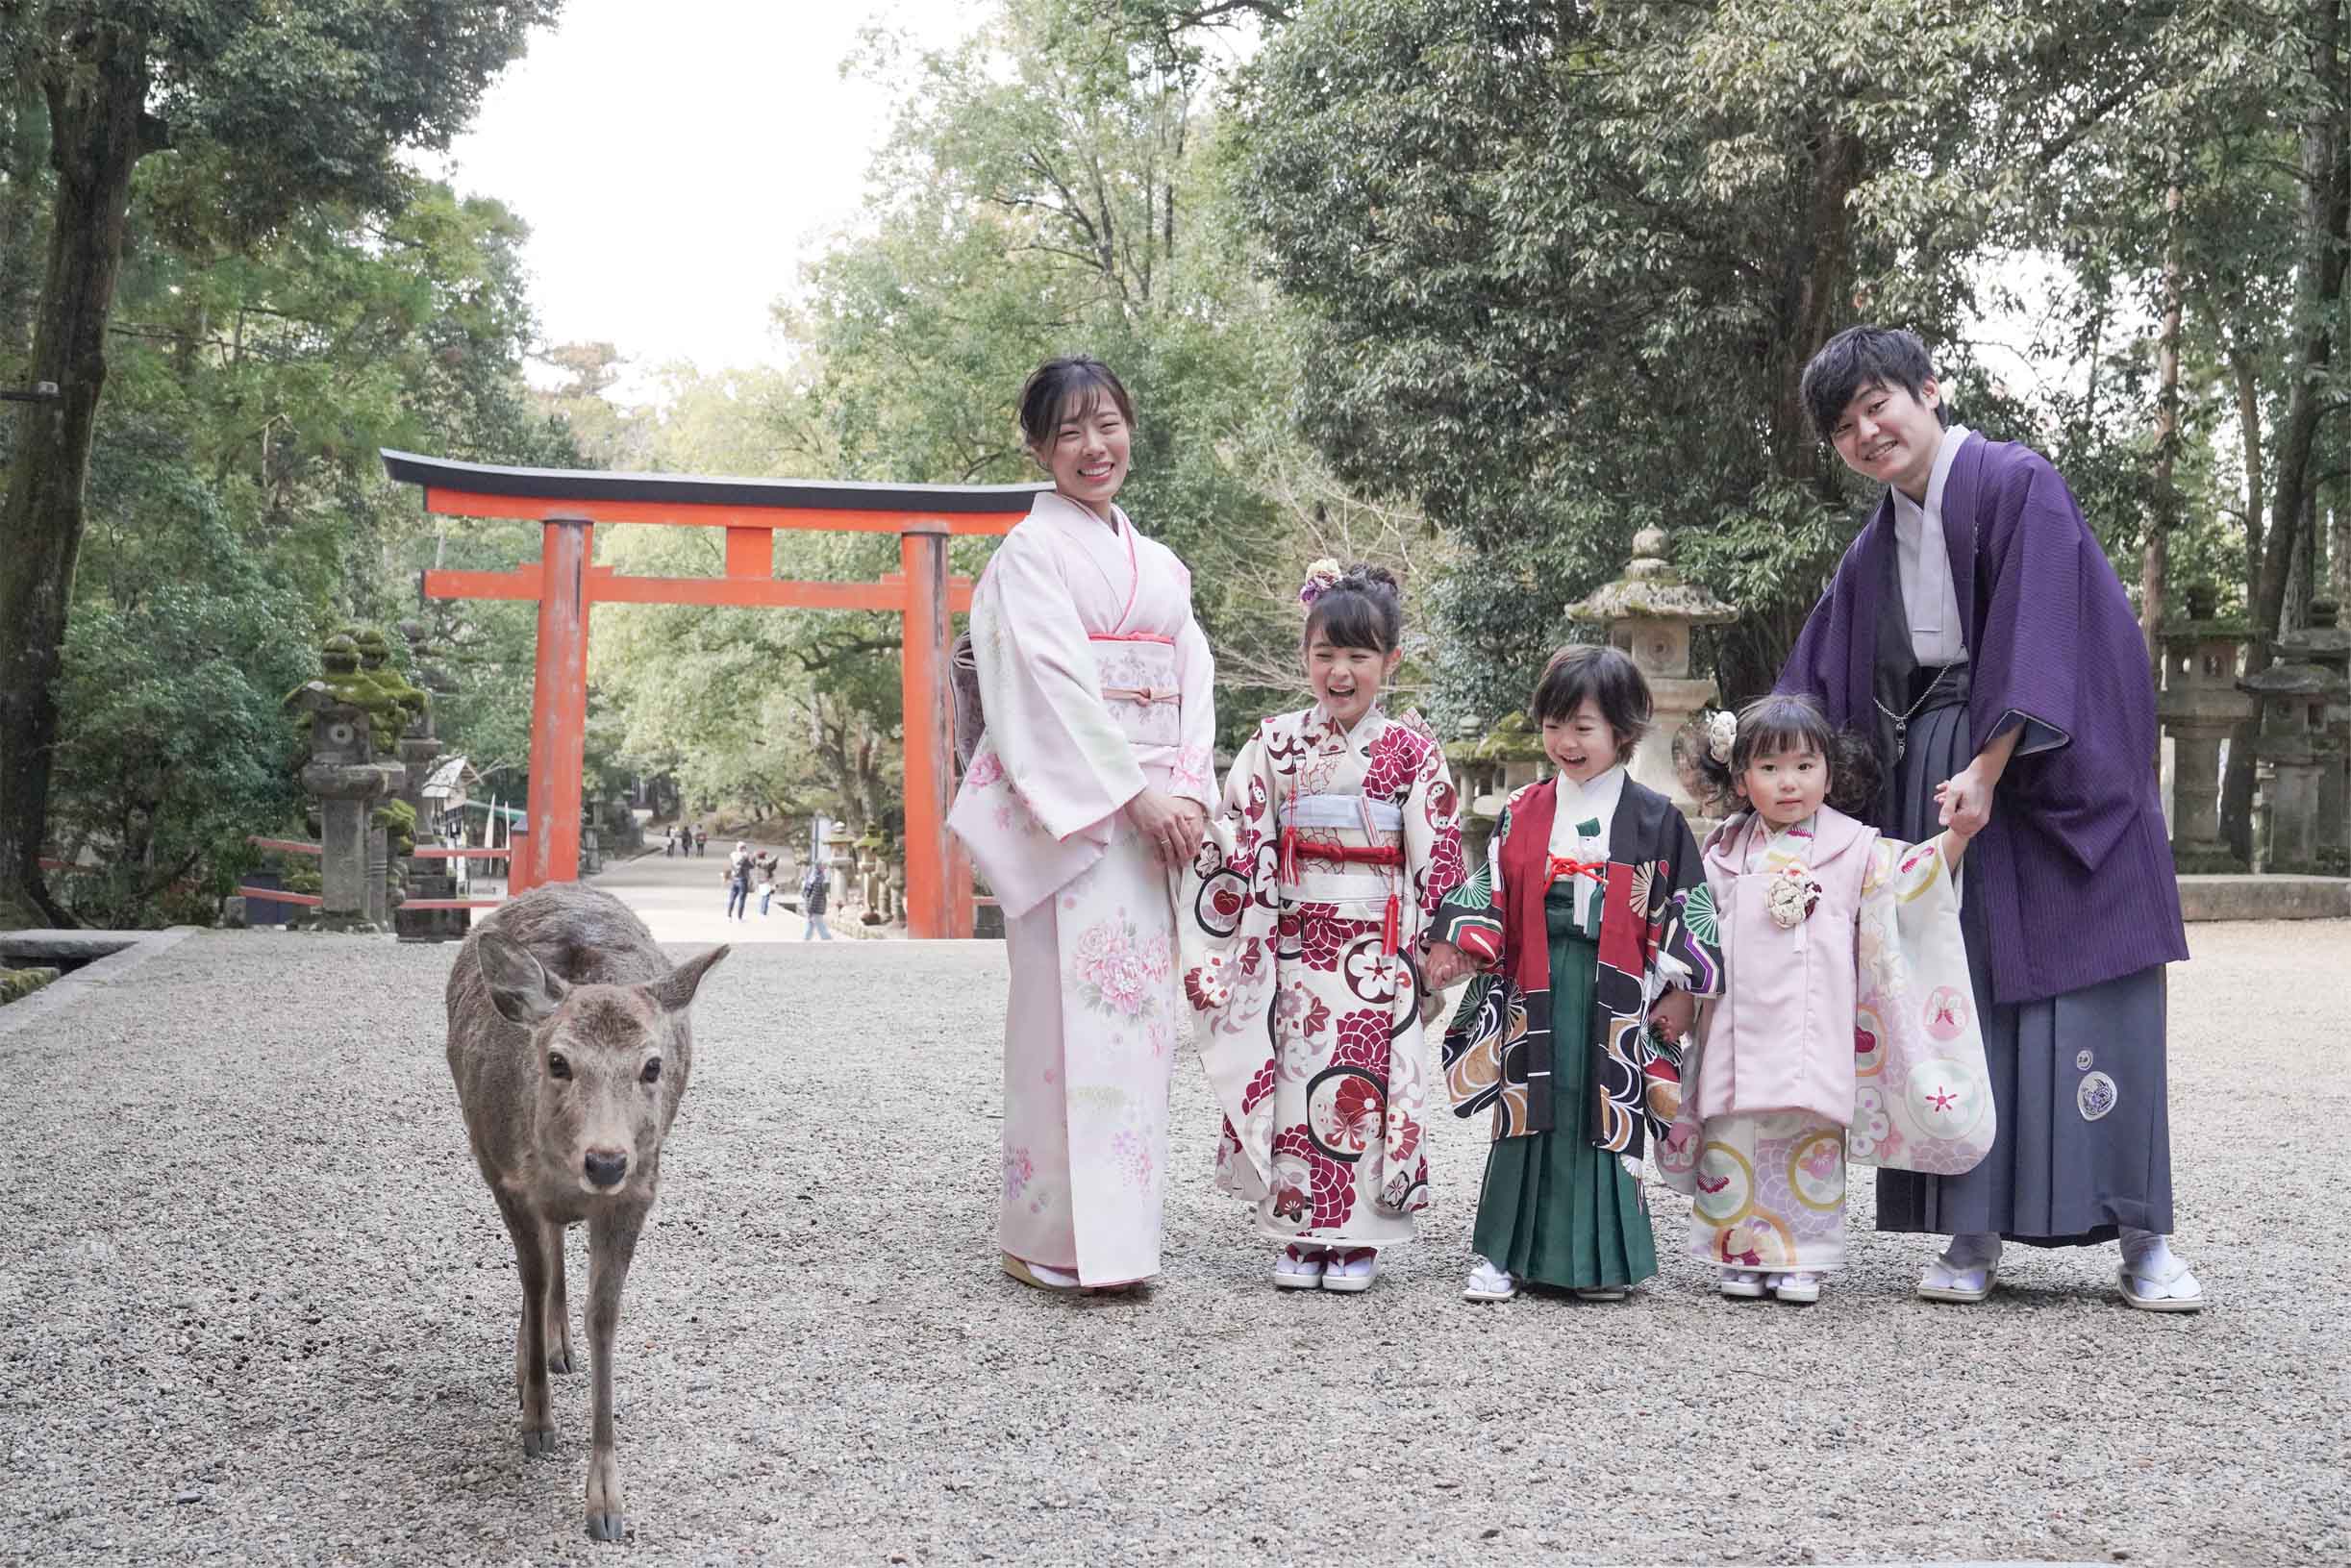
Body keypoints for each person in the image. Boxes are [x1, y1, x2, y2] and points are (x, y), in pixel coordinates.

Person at [1779, 326, 2199, 1310]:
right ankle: (1969, 1231)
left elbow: (2042, 636)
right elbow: (1821, 675)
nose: (1866, 432)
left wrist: (1991, 762)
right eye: (1844, 426)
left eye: (1877, 403)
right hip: (1945, 777)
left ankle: (2146, 1241)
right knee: (1949, 1001)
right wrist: (1761, 769)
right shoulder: (1878, 540)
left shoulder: (2017, 482)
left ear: (1930, 389)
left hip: (2050, 769)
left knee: (2098, 1006)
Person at [946, 354, 1216, 1293]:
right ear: (1037, 447)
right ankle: (1049, 1237)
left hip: (1154, 826)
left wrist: (1186, 788)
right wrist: (1133, 795)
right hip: (1083, 822)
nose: (1094, 447)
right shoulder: (1030, 555)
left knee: (1139, 1035)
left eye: (1107, 424)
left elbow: (1195, 678)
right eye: (1069, 431)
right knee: (1060, 1028)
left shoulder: (1165, 567)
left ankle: (1124, 1243)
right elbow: (1048, 683)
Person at [1181, 560, 1467, 1294]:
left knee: (1367, 1086)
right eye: (1325, 655)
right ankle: (1298, 1224)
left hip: (1377, 949)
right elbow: (1238, 833)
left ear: (1390, 662)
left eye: (1358, 656)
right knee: (1295, 1080)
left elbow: (1435, 850)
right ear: (1304, 657)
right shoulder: (1275, 742)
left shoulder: (1409, 751)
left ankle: (1360, 1235)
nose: (1340, 672)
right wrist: (1218, 887)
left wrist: (1440, 946)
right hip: (1296, 947)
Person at [1659, 694, 1981, 1305]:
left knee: (1807, 1138)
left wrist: (1955, 837)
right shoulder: (1721, 851)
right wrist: (1678, 991)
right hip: (1736, 1021)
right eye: (1770, 768)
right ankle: (1740, 1251)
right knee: (1734, 1131)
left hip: (1815, 1024)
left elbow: (1914, 879)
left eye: (1805, 766)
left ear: (1830, 773)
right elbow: (1691, 933)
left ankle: (1802, 1256)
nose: (1789, 783)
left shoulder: (1854, 846)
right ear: (1740, 776)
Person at [1428, 645, 1719, 1304]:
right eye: (1554, 724)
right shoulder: (1524, 808)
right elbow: (1490, 889)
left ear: (1622, 729)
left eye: (1582, 727)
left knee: (1605, 1107)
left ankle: (1601, 1261)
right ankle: (1502, 1253)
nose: (1565, 741)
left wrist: (1678, 989)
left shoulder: (1655, 817)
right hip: (1534, 974)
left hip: (1615, 982)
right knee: (1526, 1108)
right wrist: (1461, 942)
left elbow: (1685, 905)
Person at [798, 860, 833, 941]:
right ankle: (827, 938)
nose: (825, 867)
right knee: (820, 924)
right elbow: (814, 896)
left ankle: (806, 939)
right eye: (823, 865)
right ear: (819, 866)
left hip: (813, 906)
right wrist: (811, 909)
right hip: (815, 907)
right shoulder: (818, 878)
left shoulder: (814, 876)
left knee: (810, 924)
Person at [723, 848, 752, 922]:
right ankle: (739, 918)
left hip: (734, 879)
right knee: (742, 900)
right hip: (742, 880)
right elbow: (752, 866)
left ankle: (729, 916)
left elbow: (729, 868)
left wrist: (726, 877)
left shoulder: (733, 857)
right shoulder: (744, 858)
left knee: (732, 898)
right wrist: (751, 858)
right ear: (743, 849)